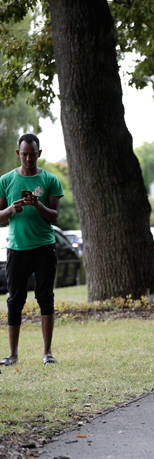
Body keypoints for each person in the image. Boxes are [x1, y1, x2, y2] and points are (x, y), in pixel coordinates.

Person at [0, 133, 64, 367]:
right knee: (15, 300)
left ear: (39, 154)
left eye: (32, 154)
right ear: (18, 154)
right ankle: (13, 355)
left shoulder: (50, 180)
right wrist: (10, 210)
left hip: (44, 248)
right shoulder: (6, 181)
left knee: (45, 297)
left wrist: (38, 204)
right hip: (17, 248)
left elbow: (56, 217)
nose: (28, 158)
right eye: (24, 154)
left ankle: (47, 353)